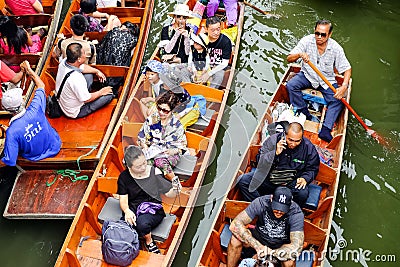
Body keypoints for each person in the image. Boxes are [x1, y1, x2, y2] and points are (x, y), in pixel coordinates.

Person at [286, 19, 352, 143]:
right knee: (291, 86)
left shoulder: (336, 48)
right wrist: (300, 54)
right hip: (307, 76)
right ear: (314, 32)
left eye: (323, 35)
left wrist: (344, 86)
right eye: (317, 33)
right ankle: (303, 111)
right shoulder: (306, 41)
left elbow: (347, 69)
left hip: (325, 81)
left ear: (330, 35)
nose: (319, 37)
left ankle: (326, 129)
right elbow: (289, 59)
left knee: (338, 100)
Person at [237, 122, 320, 208]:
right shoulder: (273, 140)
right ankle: (260, 207)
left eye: (297, 141)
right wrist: (275, 153)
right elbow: (259, 161)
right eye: (290, 140)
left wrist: (305, 178)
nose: (293, 144)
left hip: (291, 182)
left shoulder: (309, 148)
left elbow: (313, 168)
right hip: (269, 178)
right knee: (244, 180)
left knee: (302, 194)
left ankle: (289, 213)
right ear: (284, 134)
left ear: (302, 137)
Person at [117, 145, 181, 254]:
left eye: (144, 163)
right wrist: (127, 211)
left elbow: (168, 193)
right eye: (138, 166)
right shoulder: (124, 177)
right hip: (134, 207)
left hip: (153, 208)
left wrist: (175, 190)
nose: (142, 168)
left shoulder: (154, 172)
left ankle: (149, 242)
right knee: (126, 222)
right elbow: (123, 199)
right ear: (129, 166)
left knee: (142, 223)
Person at [1, 61, 61, 166]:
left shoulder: (12, 132)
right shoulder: (36, 107)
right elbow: (41, 85)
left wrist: (9, 137)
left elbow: (10, 161)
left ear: (5, 108)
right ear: (22, 101)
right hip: (55, 145)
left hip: (35, 158)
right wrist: (29, 71)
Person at [227, 187, 304, 267]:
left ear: (290, 204)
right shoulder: (261, 203)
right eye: (276, 208)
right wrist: (258, 246)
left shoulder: (296, 213)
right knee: (235, 239)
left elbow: (297, 246)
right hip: (258, 238)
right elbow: (234, 224)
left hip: (279, 245)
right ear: (271, 199)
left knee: (290, 262)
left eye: (283, 209)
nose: (279, 212)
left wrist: (270, 253)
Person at [137, 91, 187, 182]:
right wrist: (145, 147)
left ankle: (174, 181)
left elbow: (181, 147)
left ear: (171, 111)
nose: (161, 112)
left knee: (160, 162)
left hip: (169, 154)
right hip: (152, 150)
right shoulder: (152, 118)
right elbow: (142, 137)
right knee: (140, 162)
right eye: (159, 108)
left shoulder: (176, 124)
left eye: (165, 111)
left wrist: (171, 151)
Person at [55, 43, 113, 119]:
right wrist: (101, 92)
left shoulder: (64, 62)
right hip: (74, 111)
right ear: (78, 59)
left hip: (64, 102)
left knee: (89, 74)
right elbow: (86, 99)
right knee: (109, 95)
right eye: (84, 53)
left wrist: (97, 71)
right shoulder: (76, 78)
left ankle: (84, 92)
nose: (85, 55)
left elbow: (82, 67)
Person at [200, 16, 232, 89]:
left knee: (219, 75)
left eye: (218, 29)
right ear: (206, 29)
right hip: (204, 64)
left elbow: (224, 63)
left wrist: (209, 73)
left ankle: (209, 94)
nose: (216, 33)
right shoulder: (201, 39)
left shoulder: (226, 42)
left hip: (218, 66)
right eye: (213, 30)